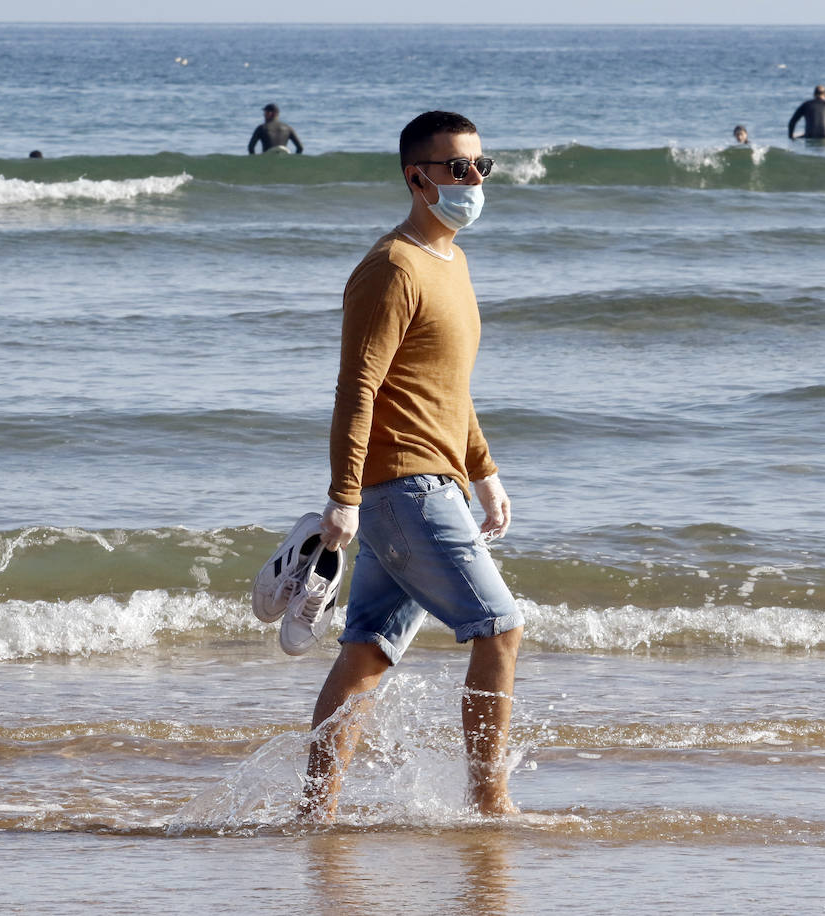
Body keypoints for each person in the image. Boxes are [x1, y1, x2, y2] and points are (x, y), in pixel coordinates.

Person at [302, 110, 524, 821]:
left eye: (481, 167)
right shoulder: (391, 267)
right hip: (403, 486)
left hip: (436, 481)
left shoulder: (452, 262)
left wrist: (483, 470)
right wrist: (343, 497)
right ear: (417, 178)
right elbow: (357, 386)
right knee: (500, 629)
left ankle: (315, 813)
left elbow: (445, 387)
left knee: (367, 652)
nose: (473, 180)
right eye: (458, 167)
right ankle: (490, 803)